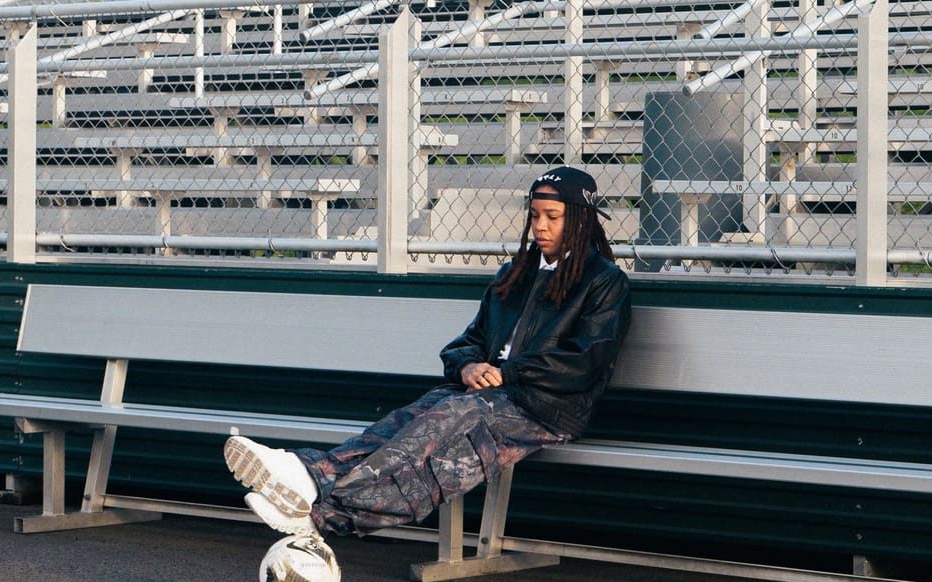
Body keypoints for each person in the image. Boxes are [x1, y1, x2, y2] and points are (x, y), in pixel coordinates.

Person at [223, 165, 631, 538]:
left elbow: (585, 362)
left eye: (552, 218)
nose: (540, 226)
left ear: (579, 220)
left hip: (546, 408)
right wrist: (469, 365)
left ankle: (319, 507)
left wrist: (507, 374)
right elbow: (467, 341)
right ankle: (309, 475)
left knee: (446, 424)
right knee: (411, 417)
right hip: (489, 395)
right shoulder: (516, 273)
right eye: (535, 215)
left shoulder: (603, 281)